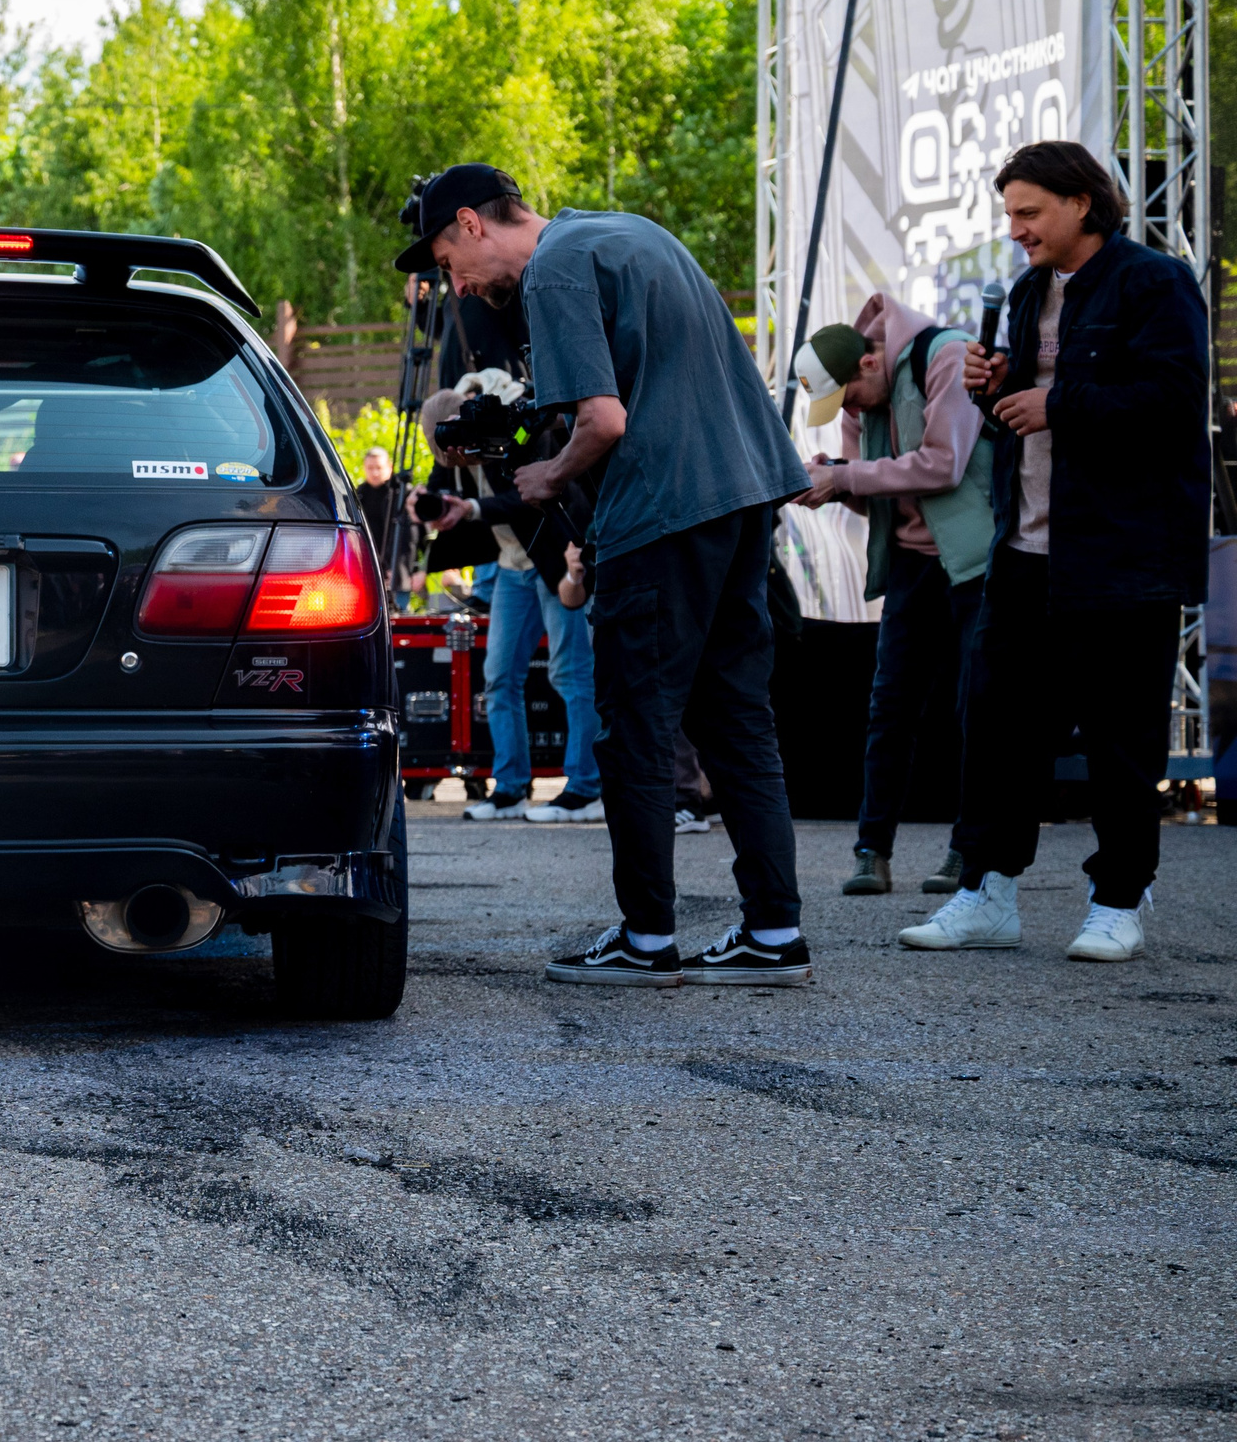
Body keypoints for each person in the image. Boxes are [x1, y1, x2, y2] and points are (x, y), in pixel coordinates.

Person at [399, 163, 812, 988]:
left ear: (473, 224)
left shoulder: (553, 268)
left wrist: (548, 477)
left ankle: (647, 936)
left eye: (447, 261)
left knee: (634, 727)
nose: (457, 282)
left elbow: (605, 419)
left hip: (660, 512)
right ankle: (774, 930)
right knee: (737, 720)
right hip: (743, 499)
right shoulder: (632, 232)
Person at [899, 140, 1211, 962]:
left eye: (1029, 212)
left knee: (1120, 737)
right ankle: (986, 891)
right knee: (997, 725)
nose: (1017, 230)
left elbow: (1175, 403)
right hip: (1025, 547)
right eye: (1010, 214)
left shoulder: (1154, 282)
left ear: (1082, 202)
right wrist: (989, 383)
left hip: (1121, 554)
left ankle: (1117, 899)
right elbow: (1023, 409)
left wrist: (1057, 402)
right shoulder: (1029, 289)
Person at [792, 296, 995, 897]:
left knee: (974, 708)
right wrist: (835, 483)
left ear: (871, 365)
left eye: (849, 399)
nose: (848, 412)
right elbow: (876, 483)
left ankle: (968, 851)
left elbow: (942, 465)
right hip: (911, 565)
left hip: (973, 563)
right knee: (889, 709)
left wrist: (846, 476)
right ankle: (870, 850)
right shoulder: (865, 395)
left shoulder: (947, 354)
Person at [413, 373, 602, 824]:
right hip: (510, 567)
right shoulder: (451, 437)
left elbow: (529, 497)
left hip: (555, 560)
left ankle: (586, 789)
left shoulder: (512, 424)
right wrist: (431, 502)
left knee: (572, 673)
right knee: (498, 677)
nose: (455, 459)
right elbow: (447, 495)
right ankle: (511, 788)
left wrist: (472, 509)